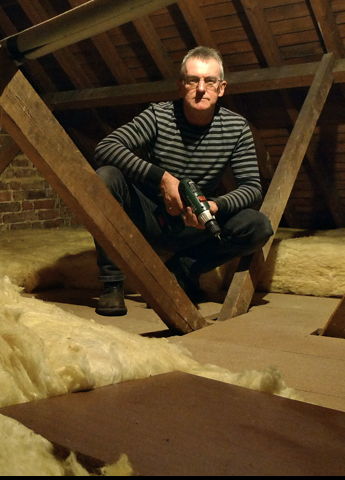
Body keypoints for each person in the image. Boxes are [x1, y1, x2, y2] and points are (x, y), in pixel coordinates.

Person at [92, 46, 274, 316]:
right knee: (106, 177)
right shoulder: (158, 116)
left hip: (197, 225)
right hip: (151, 217)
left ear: (221, 88)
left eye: (209, 81)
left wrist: (213, 207)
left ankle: (183, 269)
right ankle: (112, 285)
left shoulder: (237, 128)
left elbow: (252, 188)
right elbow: (106, 148)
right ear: (181, 85)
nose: (201, 89)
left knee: (258, 226)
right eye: (193, 80)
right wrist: (162, 179)